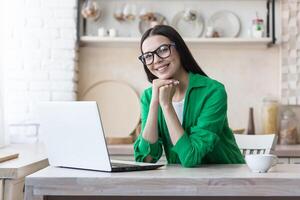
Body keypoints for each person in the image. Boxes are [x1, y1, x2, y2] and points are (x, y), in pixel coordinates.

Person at [134, 25, 245, 167]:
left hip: (226, 181)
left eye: (163, 50)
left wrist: (166, 105)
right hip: (183, 182)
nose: (156, 60)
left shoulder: (213, 91)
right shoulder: (149, 97)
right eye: (148, 56)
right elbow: (145, 159)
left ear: (179, 49)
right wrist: (155, 101)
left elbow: (191, 157)